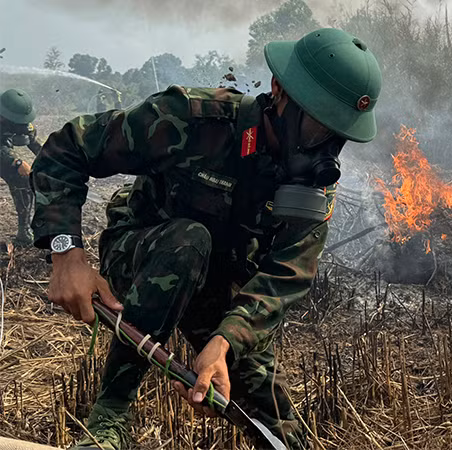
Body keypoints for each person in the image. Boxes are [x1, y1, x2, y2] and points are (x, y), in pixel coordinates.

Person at [31, 28, 381, 450]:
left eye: (338, 136)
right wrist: (66, 256)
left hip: (221, 286)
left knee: (284, 434)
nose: (325, 149)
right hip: (144, 255)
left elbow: (286, 276)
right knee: (189, 240)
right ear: (279, 91)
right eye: (316, 129)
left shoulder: (314, 186)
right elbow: (67, 149)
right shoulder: (191, 119)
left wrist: (224, 342)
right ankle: (109, 417)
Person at [0, 88, 41, 246]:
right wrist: (16, 161)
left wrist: (51, 161)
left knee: (23, 181)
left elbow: (33, 142)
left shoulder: (18, 123)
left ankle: (24, 232)